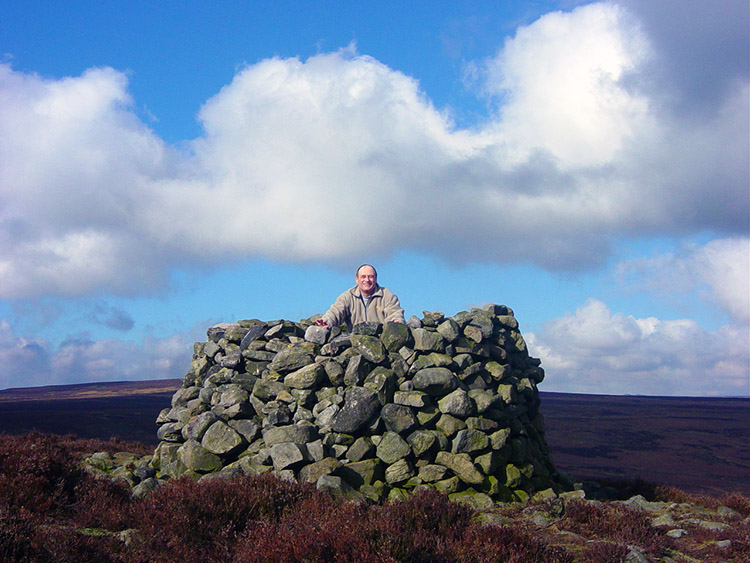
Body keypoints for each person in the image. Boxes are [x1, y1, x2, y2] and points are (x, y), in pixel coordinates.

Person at [315, 264, 405, 330]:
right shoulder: (347, 296)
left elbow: (395, 312)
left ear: (376, 279)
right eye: (363, 276)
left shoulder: (387, 296)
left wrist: (396, 322)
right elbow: (335, 312)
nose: (367, 280)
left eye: (370, 277)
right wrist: (326, 322)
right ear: (356, 279)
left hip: (381, 344)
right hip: (355, 344)